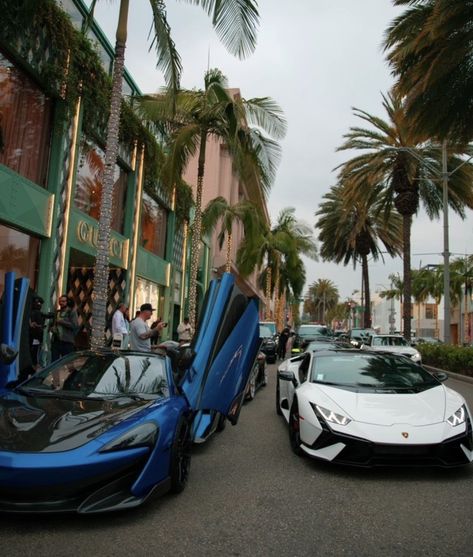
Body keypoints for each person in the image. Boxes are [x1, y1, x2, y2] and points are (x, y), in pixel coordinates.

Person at [50, 295, 79, 362]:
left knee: (67, 363)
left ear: (67, 302)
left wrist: (62, 322)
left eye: (63, 301)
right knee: (54, 362)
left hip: (67, 342)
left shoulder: (72, 312)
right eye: (60, 301)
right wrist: (52, 328)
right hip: (56, 341)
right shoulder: (57, 312)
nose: (61, 303)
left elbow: (74, 325)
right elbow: (54, 324)